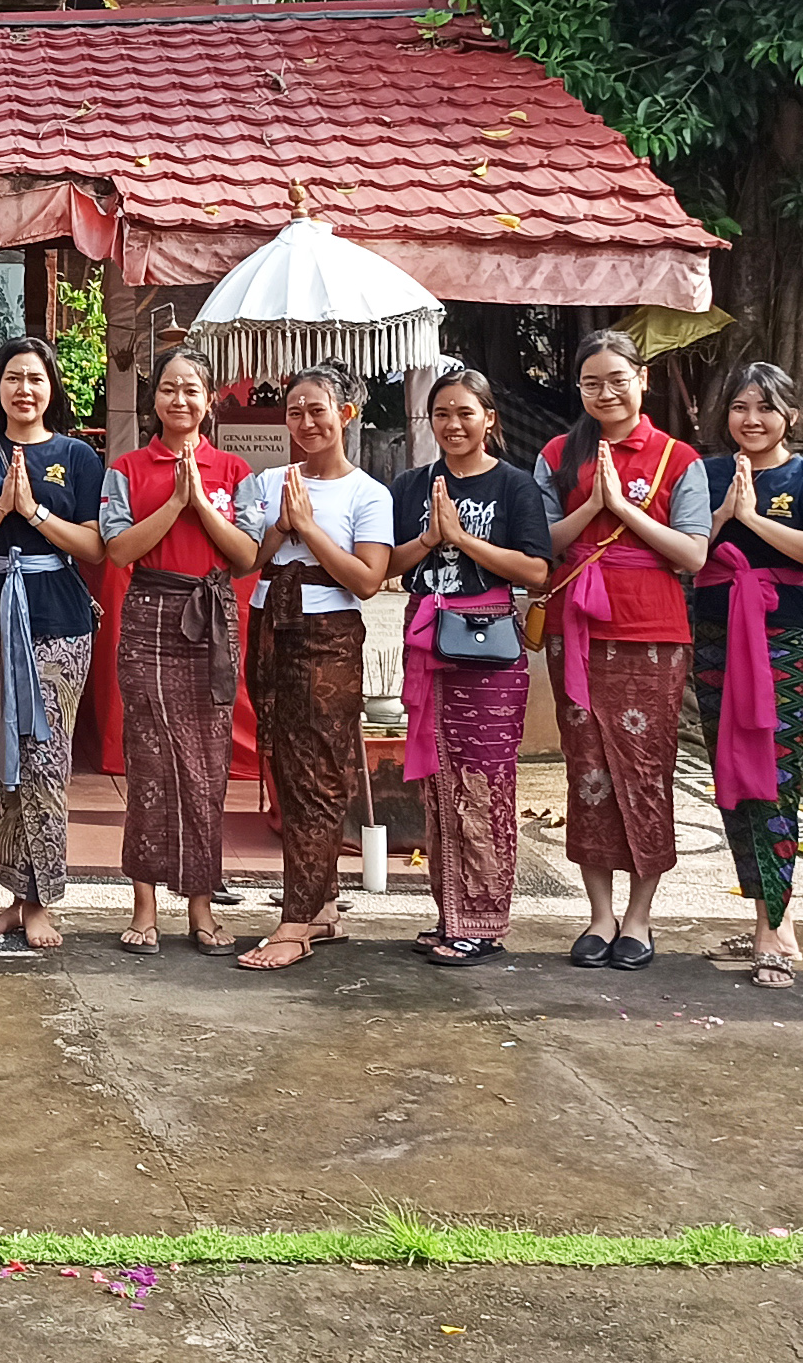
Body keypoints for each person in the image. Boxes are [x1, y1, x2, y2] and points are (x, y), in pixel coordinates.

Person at [537, 327, 710, 970]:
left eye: (618, 379)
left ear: (642, 379)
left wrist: (623, 509)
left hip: (652, 632)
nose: (605, 393)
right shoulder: (559, 452)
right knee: (586, 773)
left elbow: (692, 554)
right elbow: (543, 542)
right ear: (578, 389)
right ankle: (599, 914)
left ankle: (638, 917)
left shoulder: (677, 457)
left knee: (645, 772)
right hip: (574, 630)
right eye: (591, 383)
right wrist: (593, 507)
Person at [0, 335, 108, 950]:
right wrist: (1, 509)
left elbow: (95, 548)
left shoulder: (78, 458)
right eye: (13, 378)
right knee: (1, 754)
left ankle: (42, 898)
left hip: (57, 621)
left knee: (45, 755)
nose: (24, 390)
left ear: (52, 388)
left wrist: (34, 514)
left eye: (36, 379)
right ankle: (15, 894)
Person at [231, 366, 400, 972]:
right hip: (270, 625)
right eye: (295, 412)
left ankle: (296, 923)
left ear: (346, 415)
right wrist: (281, 525)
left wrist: (308, 529)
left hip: (327, 636)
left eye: (318, 411)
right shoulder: (268, 481)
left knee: (320, 773)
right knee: (281, 760)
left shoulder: (366, 493)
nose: (306, 423)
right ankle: (323, 903)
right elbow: (245, 558)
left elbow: (367, 579)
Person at [690, 364, 803, 990]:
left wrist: (752, 520)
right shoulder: (703, 475)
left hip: (783, 645)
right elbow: (684, 554)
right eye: (739, 407)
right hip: (714, 642)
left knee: (776, 782)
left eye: (766, 407)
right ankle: (768, 913)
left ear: (791, 416)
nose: (751, 419)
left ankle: (773, 930)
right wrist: (722, 516)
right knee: (730, 780)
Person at [386, 366, 552, 969]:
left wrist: (464, 539)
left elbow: (536, 571)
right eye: (442, 415)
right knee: (438, 784)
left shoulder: (514, 486)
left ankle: (484, 920)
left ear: (490, 420)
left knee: (485, 782)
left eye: (465, 413)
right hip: (430, 638)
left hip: (488, 648)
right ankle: (450, 913)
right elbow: (388, 566)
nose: (453, 425)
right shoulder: (411, 484)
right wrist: (431, 538)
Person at [96, 347, 259, 954]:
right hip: (148, 618)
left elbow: (245, 555)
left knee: (206, 767)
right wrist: (173, 502)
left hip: (212, 617)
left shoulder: (234, 471)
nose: (180, 400)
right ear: (154, 399)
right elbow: (118, 551)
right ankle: (143, 906)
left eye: (192, 389)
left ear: (210, 399)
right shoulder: (128, 469)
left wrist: (199, 503)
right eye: (169, 389)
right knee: (149, 764)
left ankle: (200, 906)